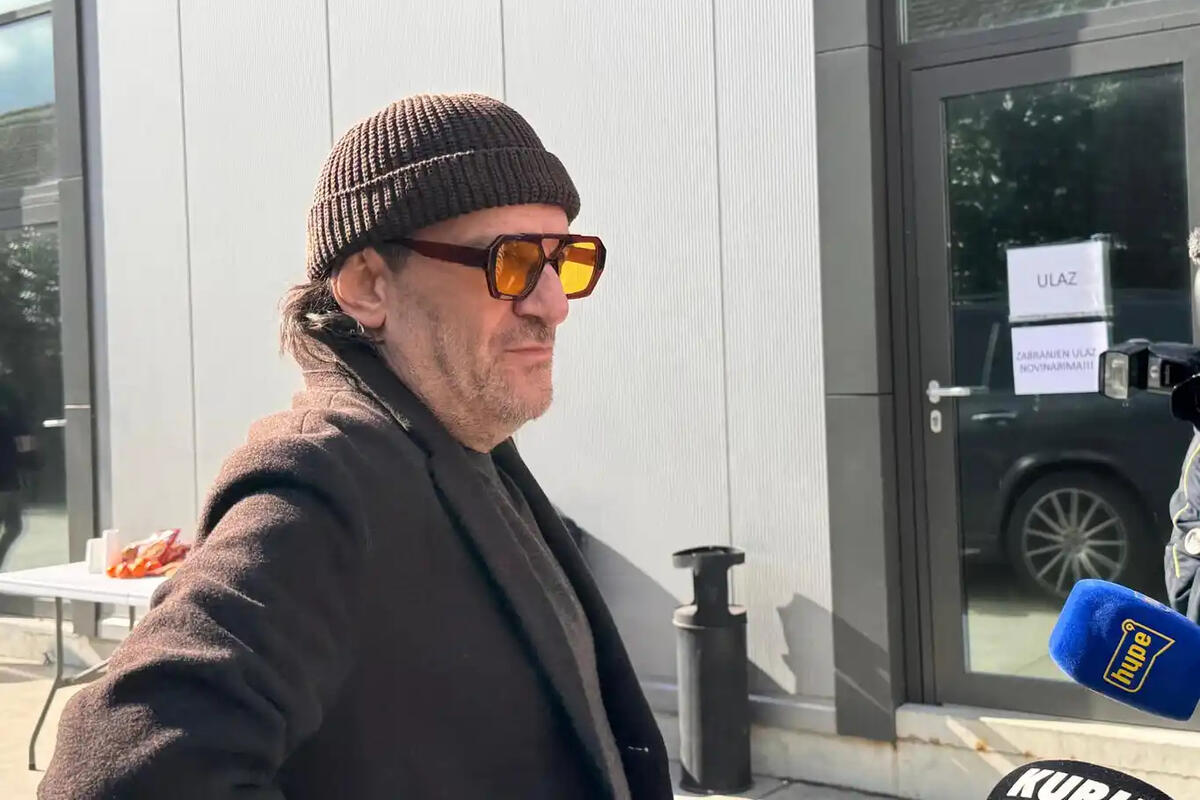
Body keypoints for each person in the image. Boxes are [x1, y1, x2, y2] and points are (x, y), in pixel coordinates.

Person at [40, 93, 670, 800]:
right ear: (369, 285)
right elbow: (118, 777)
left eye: (565, 260)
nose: (553, 304)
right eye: (513, 260)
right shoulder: (325, 481)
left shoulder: (464, 451)